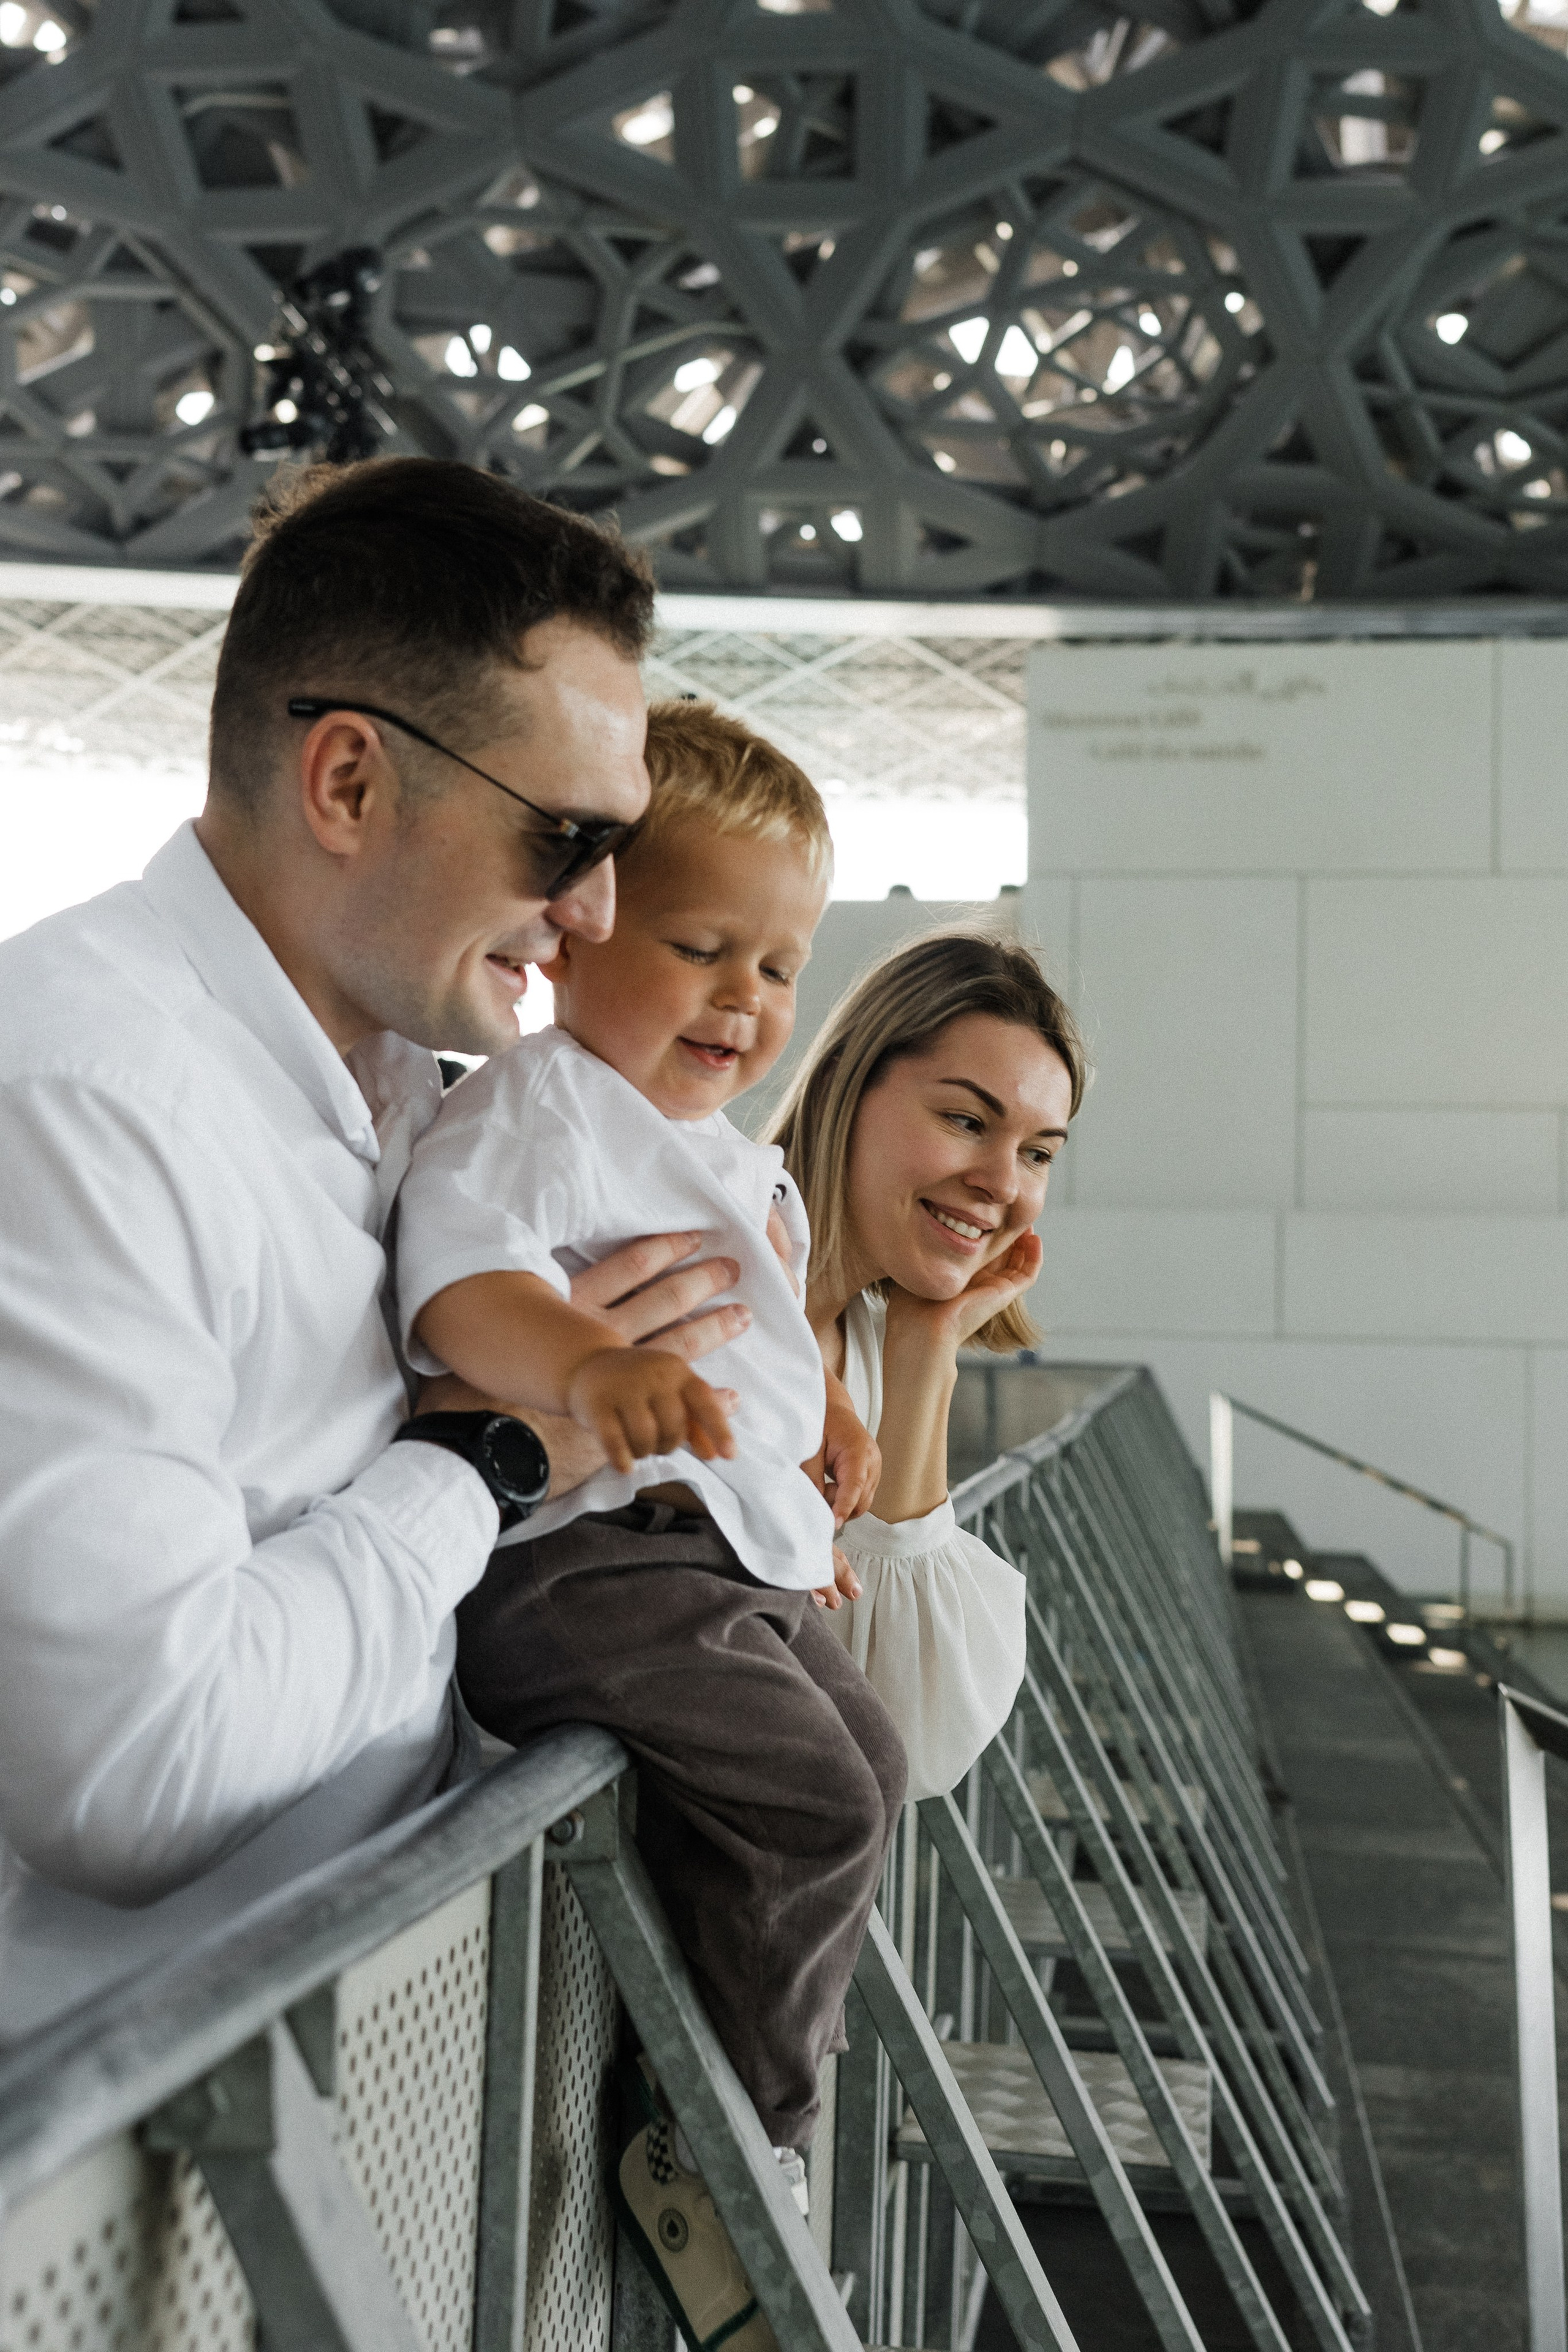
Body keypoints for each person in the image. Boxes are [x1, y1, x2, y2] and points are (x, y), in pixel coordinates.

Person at [0, 461, 752, 2035]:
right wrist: (482, 1464)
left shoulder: (421, 1093)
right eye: (563, 839)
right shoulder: (76, 1095)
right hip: (122, 2179)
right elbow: (132, 1773)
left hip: (348, 2099)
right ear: (347, 782)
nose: (599, 913)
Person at [399, 703, 903, 2352]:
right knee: (818, 1788)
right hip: (578, 1570)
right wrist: (589, 1361)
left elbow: (763, 1337)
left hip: (701, 1560)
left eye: (780, 964)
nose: (747, 1001)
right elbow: (463, 1289)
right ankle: (727, 2138)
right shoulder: (538, 1107)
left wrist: (818, 1424)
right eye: (705, 948)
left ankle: (699, 2083)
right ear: (585, 922)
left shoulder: (728, 1154)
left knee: (869, 1765)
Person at [771, 931, 1088, 1798]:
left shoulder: (874, 1344)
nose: (1002, 1184)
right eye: (965, 1120)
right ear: (844, 1084)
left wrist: (925, 1353)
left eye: (1038, 1153)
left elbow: (910, 1735)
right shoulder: (701, 1283)